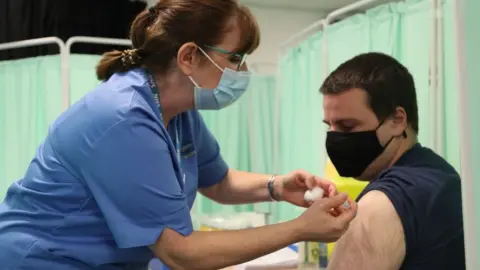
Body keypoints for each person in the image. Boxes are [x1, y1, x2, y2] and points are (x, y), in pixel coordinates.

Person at [0, 1, 357, 269]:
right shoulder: (123, 117)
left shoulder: (178, 112)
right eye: (236, 57)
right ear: (189, 56)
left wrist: (277, 186)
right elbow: (180, 251)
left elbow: (219, 181)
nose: (244, 71)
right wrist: (298, 229)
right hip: (44, 260)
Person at [320, 52, 465, 270]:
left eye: (347, 127)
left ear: (398, 120)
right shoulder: (443, 174)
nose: (334, 138)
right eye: (328, 126)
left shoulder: (380, 205)